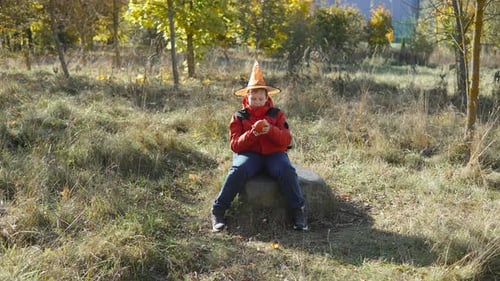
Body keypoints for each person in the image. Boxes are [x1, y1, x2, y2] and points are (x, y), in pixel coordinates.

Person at [211, 60, 308, 232]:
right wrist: (253, 133)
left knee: (287, 170)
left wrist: (269, 129)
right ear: (246, 97)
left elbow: (286, 140)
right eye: (253, 98)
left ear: (266, 98)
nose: (256, 101)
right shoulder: (239, 116)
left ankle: (298, 212)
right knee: (237, 170)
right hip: (249, 155)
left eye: (260, 98)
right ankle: (218, 210)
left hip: (274, 154)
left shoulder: (277, 114)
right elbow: (235, 145)